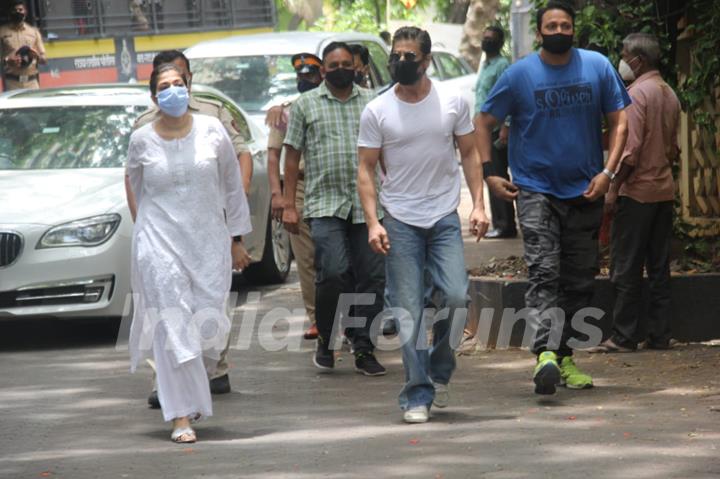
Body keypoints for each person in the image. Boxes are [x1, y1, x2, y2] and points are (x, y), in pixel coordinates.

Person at [475, 1, 630, 395]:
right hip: (535, 189)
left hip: (585, 189)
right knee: (545, 272)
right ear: (539, 32)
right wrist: (491, 173)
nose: (558, 30)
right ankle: (544, 354)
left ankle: (565, 358)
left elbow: (620, 121)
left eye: (565, 24)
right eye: (551, 25)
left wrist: (608, 174)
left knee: (579, 281)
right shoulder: (519, 74)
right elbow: (484, 121)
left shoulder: (596, 66)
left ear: (573, 30)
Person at [358, 26, 489, 423]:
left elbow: (469, 154)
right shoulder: (377, 110)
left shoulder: (452, 102)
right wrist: (372, 223)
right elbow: (365, 169)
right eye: (395, 55)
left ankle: (439, 371)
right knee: (407, 309)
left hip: (444, 216)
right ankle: (417, 393)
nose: (400, 62)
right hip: (399, 220)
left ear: (427, 60)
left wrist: (479, 205)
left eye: (409, 56)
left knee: (455, 298)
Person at [126, 63, 252, 443]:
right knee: (172, 323)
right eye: (164, 86)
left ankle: (192, 394)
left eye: (179, 83)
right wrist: (144, 236)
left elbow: (232, 186)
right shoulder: (141, 140)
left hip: (208, 242)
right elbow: (135, 188)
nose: (173, 90)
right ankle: (180, 415)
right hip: (159, 243)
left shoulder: (213, 130)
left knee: (208, 325)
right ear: (154, 97)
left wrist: (236, 238)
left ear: (189, 88)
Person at [282, 41, 386, 376]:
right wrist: (287, 204)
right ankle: (327, 337)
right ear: (323, 69)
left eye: (346, 63)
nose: (340, 68)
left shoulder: (372, 103)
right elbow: (292, 155)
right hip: (324, 203)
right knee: (334, 272)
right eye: (333, 64)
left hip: (366, 205)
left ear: (356, 67)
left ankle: (363, 346)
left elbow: (386, 152)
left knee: (371, 276)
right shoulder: (305, 105)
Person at [591, 33, 680, 353]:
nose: (622, 59)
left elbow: (630, 152)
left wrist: (613, 188)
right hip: (664, 192)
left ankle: (624, 336)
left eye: (625, 54)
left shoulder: (636, 95)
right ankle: (659, 334)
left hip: (637, 192)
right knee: (658, 267)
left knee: (625, 266)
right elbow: (673, 147)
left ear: (638, 60)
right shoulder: (668, 93)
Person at [267, 52, 323, 340]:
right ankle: (317, 318)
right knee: (306, 257)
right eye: (300, 76)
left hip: (330, 184)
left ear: (321, 75)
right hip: (298, 187)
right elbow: (274, 155)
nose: (305, 80)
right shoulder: (285, 112)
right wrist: (278, 196)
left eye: (310, 75)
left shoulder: (334, 104)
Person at [474, 25, 517, 239]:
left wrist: (506, 126)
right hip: (485, 131)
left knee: (498, 175)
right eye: (485, 37)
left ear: (499, 42)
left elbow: (509, 95)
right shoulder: (486, 65)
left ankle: (506, 225)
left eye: (491, 38)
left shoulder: (501, 65)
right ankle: (501, 223)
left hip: (497, 129)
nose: (486, 41)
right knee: (490, 174)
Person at [0, 1, 46, 91]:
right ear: (10, 13)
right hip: (12, 84)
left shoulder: (34, 32)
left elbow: (44, 59)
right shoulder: (2, 32)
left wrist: (36, 56)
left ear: (25, 12)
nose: (17, 12)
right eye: (14, 10)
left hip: (32, 83)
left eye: (20, 10)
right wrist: (7, 60)